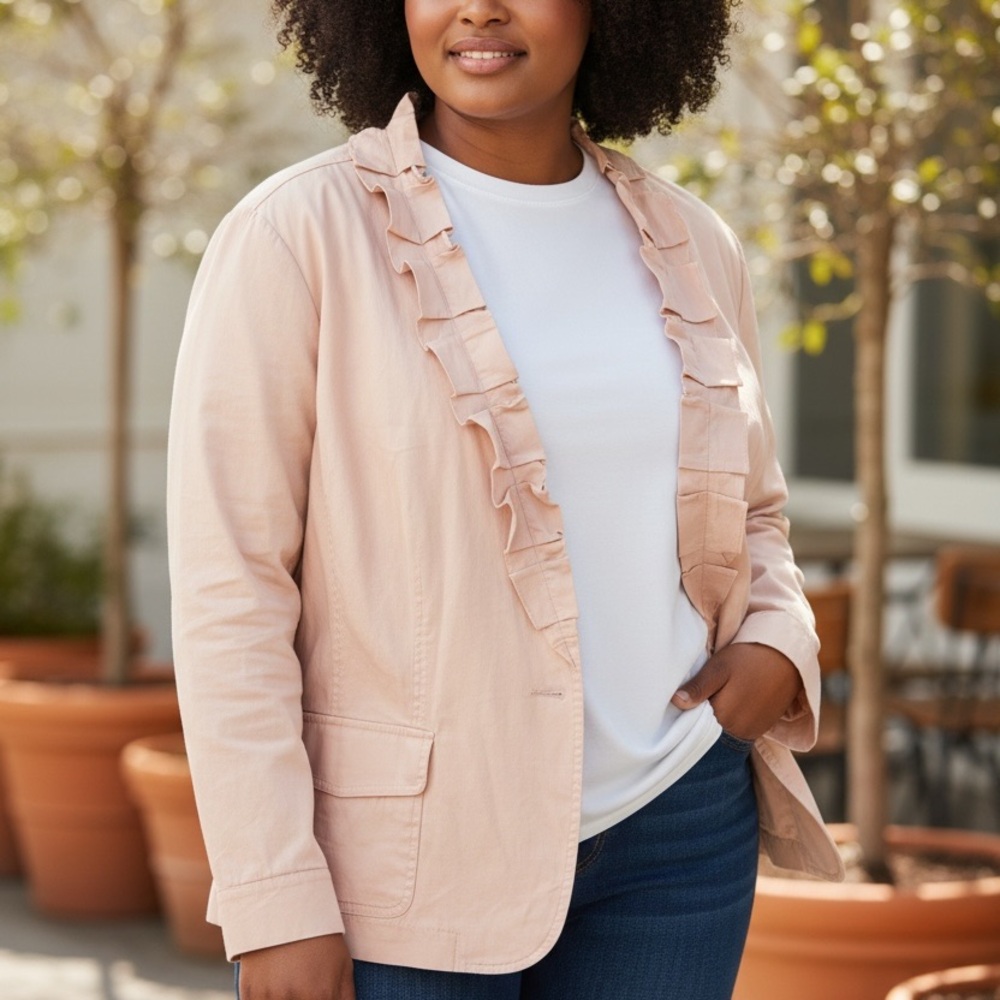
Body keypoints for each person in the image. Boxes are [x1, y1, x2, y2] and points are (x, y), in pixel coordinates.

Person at [166, 1, 846, 998]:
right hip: (405, 863)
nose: (479, 7)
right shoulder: (295, 236)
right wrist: (272, 893)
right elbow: (233, 588)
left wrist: (778, 636)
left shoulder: (692, 242)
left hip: (676, 827)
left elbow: (753, 508)